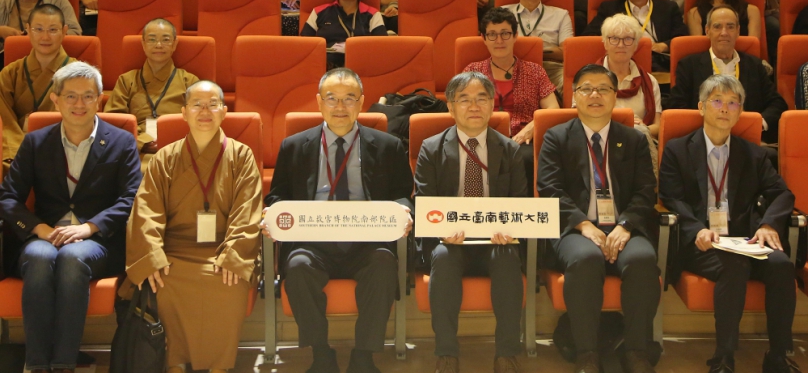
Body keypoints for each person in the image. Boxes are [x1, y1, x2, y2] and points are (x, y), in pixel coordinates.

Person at [263, 67, 413, 373]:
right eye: (332, 98)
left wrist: (404, 211)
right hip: (313, 241)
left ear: (361, 102)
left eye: (349, 98)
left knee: (384, 265)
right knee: (297, 267)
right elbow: (277, 196)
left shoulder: (388, 146)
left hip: (367, 241)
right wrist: (274, 215)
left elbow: (402, 195)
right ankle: (321, 354)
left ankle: (364, 356)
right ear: (319, 102)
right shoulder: (294, 146)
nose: (340, 106)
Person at [0, 61, 141, 372]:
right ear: (55, 99)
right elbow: (8, 197)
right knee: (38, 257)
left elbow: (131, 198)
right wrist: (38, 228)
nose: (80, 104)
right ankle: (37, 363)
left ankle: (64, 362)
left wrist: (90, 228)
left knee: (73, 257)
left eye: (88, 96)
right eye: (71, 96)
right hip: (46, 235)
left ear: (100, 99)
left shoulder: (121, 141)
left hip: (97, 240)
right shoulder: (36, 141)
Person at [659, 74, 798, 373]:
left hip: (744, 241)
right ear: (701, 107)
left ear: (740, 111)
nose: (725, 108)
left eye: (733, 103)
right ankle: (724, 357)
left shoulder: (754, 154)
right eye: (717, 101)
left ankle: (778, 355)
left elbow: (783, 194)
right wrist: (696, 229)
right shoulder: (677, 150)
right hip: (702, 242)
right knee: (734, 265)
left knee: (782, 265)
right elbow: (671, 198)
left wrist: (768, 225)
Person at [126, 80, 262, 371]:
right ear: (184, 112)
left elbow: (247, 212)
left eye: (213, 104)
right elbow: (146, 210)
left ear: (224, 111)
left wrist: (233, 256)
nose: (205, 111)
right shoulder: (165, 157)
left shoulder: (241, 156)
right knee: (164, 281)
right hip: (174, 251)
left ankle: (219, 366)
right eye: (197, 105)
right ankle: (175, 363)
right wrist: (152, 256)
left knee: (229, 284)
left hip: (222, 250)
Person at [537, 63, 660, 373]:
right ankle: (587, 353)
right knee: (585, 259)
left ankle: (636, 351)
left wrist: (626, 225)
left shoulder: (633, 140)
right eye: (586, 89)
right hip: (575, 228)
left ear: (615, 96)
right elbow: (549, 189)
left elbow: (646, 191)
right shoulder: (557, 137)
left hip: (624, 228)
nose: (595, 95)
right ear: (573, 96)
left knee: (643, 259)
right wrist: (584, 224)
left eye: (603, 89)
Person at [415, 70, 526, 373]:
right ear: (450, 107)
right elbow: (424, 202)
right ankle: (446, 354)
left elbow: (519, 202)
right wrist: (442, 231)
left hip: (496, 239)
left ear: (492, 105)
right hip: (451, 239)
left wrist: (509, 230)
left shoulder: (510, 149)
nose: (474, 106)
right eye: (464, 100)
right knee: (443, 257)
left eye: (481, 99)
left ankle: (506, 354)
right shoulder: (431, 148)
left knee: (508, 257)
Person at [669, 5, 787, 144]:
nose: (724, 32)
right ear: (707, 31)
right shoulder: (689, 65)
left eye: (730, 27)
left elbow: (777, 103)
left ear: (738, 31)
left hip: (748, 141)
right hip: (703, 141)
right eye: (717, 27)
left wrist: (757, 124)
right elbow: (677, 106)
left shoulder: (754, 65)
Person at [464, 7, 559, 179]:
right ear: (484, 38)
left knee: (525, 158)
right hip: (482, 136)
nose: (499, 40)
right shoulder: (472, 71)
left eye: (505, 33)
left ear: (515, 36)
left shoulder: (534, 71)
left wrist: (532, 128)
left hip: (523, 139)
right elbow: (460, 108)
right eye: (492, 35)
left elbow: (553, 109)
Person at [0, 4, 76, 171]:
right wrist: (20, 153)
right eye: (38, 29)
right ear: (28, 30)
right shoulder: (11, 73)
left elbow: (80, 121)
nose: (45, 37)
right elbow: (4, 121)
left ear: (64, 31)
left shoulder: (79, 75)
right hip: (15, 152)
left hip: (61, 150)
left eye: (53, 30)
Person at [106, 19, 199, 154]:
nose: (159, 45)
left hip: (178, 149)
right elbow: (114, 120)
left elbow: (199, 119)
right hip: (134, 149)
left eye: (165, 40)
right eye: (152, 40)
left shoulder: (189, 81)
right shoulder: (127, 80)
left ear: (174, 44)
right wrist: (140, 141)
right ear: (143, 44)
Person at [584, 0, 688, 71]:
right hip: (622, 62)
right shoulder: (609, 8)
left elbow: (682, 37)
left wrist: (663, 46)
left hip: (658, 64)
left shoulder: (668, 8)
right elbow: (589, 37)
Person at [597, 14, 662, 168]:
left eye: (628, 39)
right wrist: (625, 126)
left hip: (638, 142)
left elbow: (658, 126)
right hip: (600, 140)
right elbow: (579, 117)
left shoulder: (650, 81)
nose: (621, 45)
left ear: (635, 45)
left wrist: (639, 129)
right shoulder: (589, 79)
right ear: (605, 43)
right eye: (614, 38)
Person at [501, 0, 573, 89]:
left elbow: (567, 52)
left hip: (549, 68)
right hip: (510, 66)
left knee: (570, 83)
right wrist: (547, 49)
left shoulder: (561, 15)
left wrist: (535, 50)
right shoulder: (501, 13)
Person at [301, 0, 387, 67]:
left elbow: (382, 50)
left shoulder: (373, 15)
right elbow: (304, 48)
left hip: (362, 68)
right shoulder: (318, 12)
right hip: (325, 68)